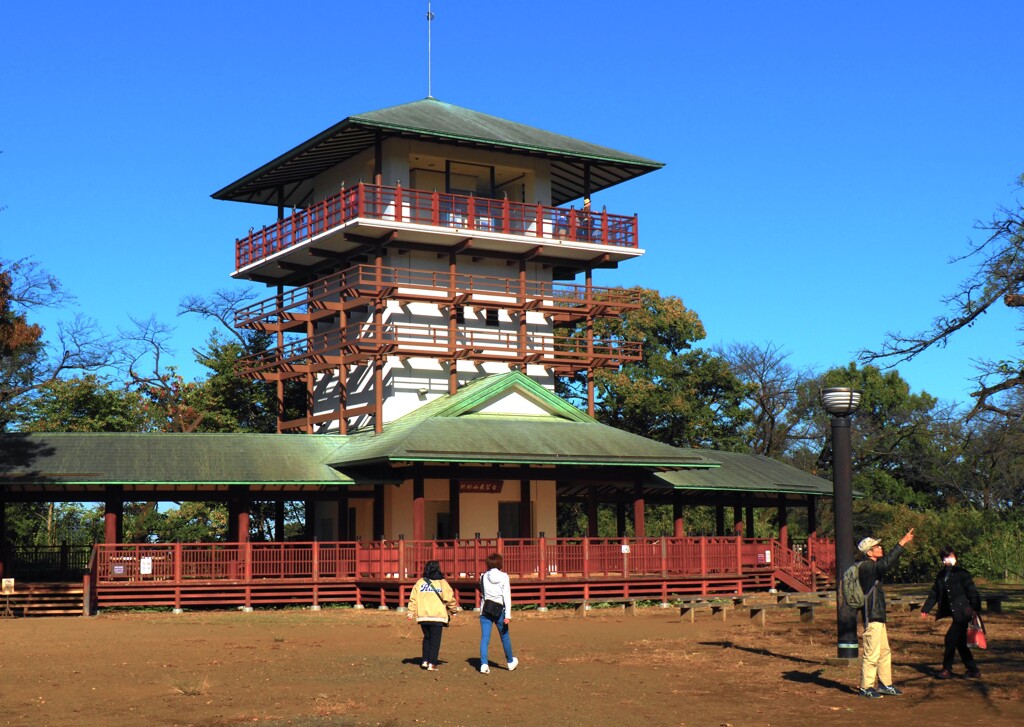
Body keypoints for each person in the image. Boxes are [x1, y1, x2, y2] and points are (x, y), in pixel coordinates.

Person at [855, 528, 915, 699]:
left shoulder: (871, 567)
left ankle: (885, 684)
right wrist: (902, 542)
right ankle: (865, 687)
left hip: (877, 615)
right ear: (869, 552)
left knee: (884, 651)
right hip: (871, 615)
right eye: (877, 546)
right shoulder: (867, 567)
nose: (881, 548)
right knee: (871, 653)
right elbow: (886, 563)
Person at [920, 546, 982, 679]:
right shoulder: (941, 575)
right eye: (945, 557)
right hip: (955, 613)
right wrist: (926, 608)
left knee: (950, 638)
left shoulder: (962, 573)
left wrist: (975, 608)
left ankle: (947, 669)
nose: (948, 559)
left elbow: (972, 591)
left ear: (955, 556)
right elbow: (935, 593)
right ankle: (973, 669)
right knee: (959, 642)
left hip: (964, 612)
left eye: (950, 556)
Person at [407, 560, 458, 671]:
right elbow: (449, 598)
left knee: (427, 638)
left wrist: (410, 612)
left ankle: (425, 660)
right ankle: (432, 663)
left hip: (423, 616)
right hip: (438, 616)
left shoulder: (420, 583)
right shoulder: (442, 583)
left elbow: (413, 598)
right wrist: (453, 611)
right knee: (435, 641)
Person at [478, 552, 519, 674]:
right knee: (505, 637)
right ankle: (510, 661)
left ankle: (484, 664)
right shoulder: (504, 576)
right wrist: (508, 615)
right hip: (499, 610)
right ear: (500, 563)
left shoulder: (483, 576)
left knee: (485, 638)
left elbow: (483, 593)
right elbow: (506, 596)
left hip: (485, 610)